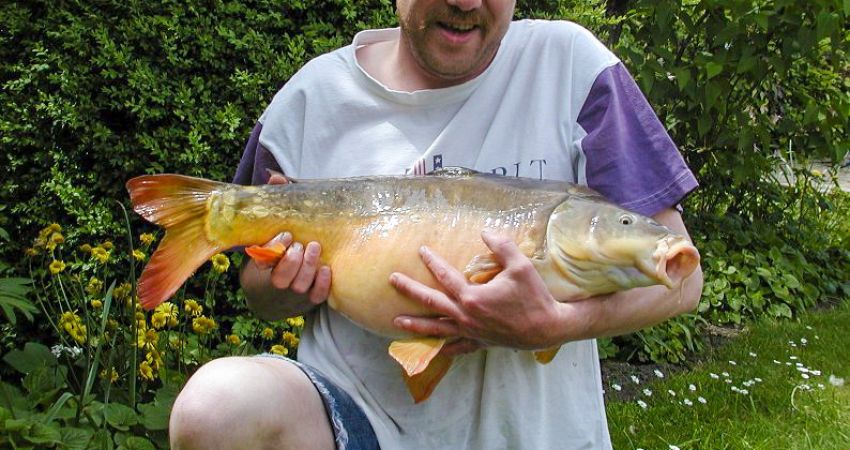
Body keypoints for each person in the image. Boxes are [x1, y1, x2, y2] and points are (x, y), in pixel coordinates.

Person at [168, 0, 704, 448]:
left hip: (536, 435)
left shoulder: (571, 66)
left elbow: (684, 277)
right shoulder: (310, 99)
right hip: (353, 421)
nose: (466, 2)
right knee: (215, 408)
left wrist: (557, 326)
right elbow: (258, 292)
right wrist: (286, 285)